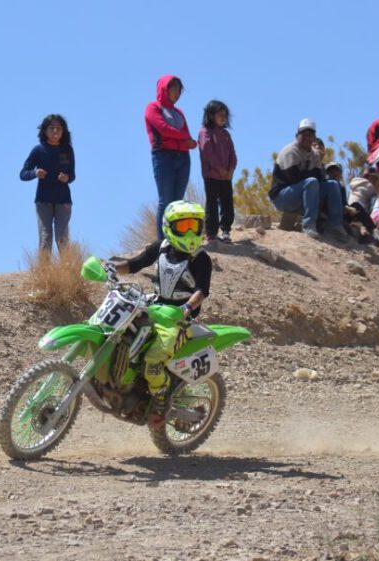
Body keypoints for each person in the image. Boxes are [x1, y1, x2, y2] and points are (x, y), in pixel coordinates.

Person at [113, 201, 211, 427]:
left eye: (193, 225)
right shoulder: (161, 247)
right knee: (120, 335)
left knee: (154, 360)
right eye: (183, 225)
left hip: (178, 318)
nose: (188, 232)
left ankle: (160, 399)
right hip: (153, 306)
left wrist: (187, 308)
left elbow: (202, 290)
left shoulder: (200, 258)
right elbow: (134, 264)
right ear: (169, 227)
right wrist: (110, 268)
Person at [268, 119, 350, 242]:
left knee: (332, 184)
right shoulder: (290, 151)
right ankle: (309, 225)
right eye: (304, 134)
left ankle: (335, 225)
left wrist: (317, 165)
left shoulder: (314, 155)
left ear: (314, 137)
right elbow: (293, 178)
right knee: (311, 182)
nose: (307, 137)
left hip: (304, 194)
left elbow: (320, 178)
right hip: (282, 197)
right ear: (297, 136)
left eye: (310, 135)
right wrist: (312, 174)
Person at [145, 75, 196, 240]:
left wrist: (184, 140)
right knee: (165, 200)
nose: (177, 92)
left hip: (183, 158)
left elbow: (187, 136)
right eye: (173, 87)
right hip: (163, 157)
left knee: (177, 202)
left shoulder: (179, 112)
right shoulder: (153, 108)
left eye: (179, 88)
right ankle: (162, 241)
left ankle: (176, 237)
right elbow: (163, 129)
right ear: (163, 89)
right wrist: (183, 139)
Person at [19, 114, 76, 254]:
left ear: (63, 132)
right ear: (45, 131)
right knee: (46, 237)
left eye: (59, 128)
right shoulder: (38, 150)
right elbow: (23, 174)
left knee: (62, 237)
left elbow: (73, 175)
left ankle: (66, 269)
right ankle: (44, 271)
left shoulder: (67, 150)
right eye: (52, 128)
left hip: (63, 200)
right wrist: (35, 173)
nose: (55, 131)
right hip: (43, 200)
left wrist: (66, 178)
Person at [198, 100, 238, 244]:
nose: (223, 117)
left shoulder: (226, 134)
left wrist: (231, 169)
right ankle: (211, 234)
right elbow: (207, 153)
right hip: (211, 176)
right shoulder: (205, 132)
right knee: (212, 204)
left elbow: (233, 154)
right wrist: (220, 169)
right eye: (220, 114)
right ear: (210, 115)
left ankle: (226, 230)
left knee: (228, 203)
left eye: (225, 115)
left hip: (226, 177)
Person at [325, 162, 377, 244]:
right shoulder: (324, 184)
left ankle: (368, 231)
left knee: (356, 205)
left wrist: (348, 208)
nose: (334, 173)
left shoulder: (341, 187)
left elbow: (344, 203)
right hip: (328, 212)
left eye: (336, 171)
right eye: (331, 170)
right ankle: (370, 230)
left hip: (341, 213)